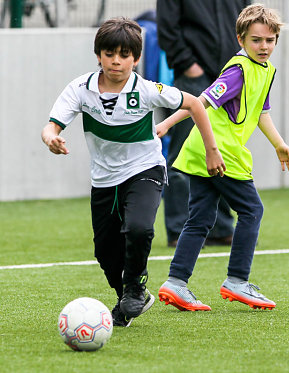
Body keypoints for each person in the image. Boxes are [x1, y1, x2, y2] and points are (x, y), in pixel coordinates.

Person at [41, 17, 224, 327]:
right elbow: (52, 124)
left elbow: (195, 104)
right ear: (98, 55)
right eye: (109, 53)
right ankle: (129, 296)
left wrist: (211, 149)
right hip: (104, 180)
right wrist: (51, 138)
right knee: (104, 251)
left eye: (125, 55)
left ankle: (134, 288)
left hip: (145, 170)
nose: (116, 61)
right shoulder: (81, 88)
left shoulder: (147, 89)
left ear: (136, 59)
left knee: (138, 228)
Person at [156, 4, 289, 312]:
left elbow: (262, 113)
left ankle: (176, 283)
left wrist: (279, 144)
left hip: (205, 152)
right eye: (256, 40)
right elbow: (200, 101)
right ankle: (237, 281)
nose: (263, 46)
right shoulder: (238, 70)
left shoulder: (266, 71)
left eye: (269, 40)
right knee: (252, 210)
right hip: (218, 152)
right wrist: (166, 123)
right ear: (240, 39)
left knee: (201, 218)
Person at [156, 0, 251, 248]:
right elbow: (167, 28)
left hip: (229, 75)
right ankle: (178, 228)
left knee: (220, 148)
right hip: (194, 77)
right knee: (183, 151)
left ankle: (219, 227)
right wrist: (189, 65)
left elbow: (247, 18)